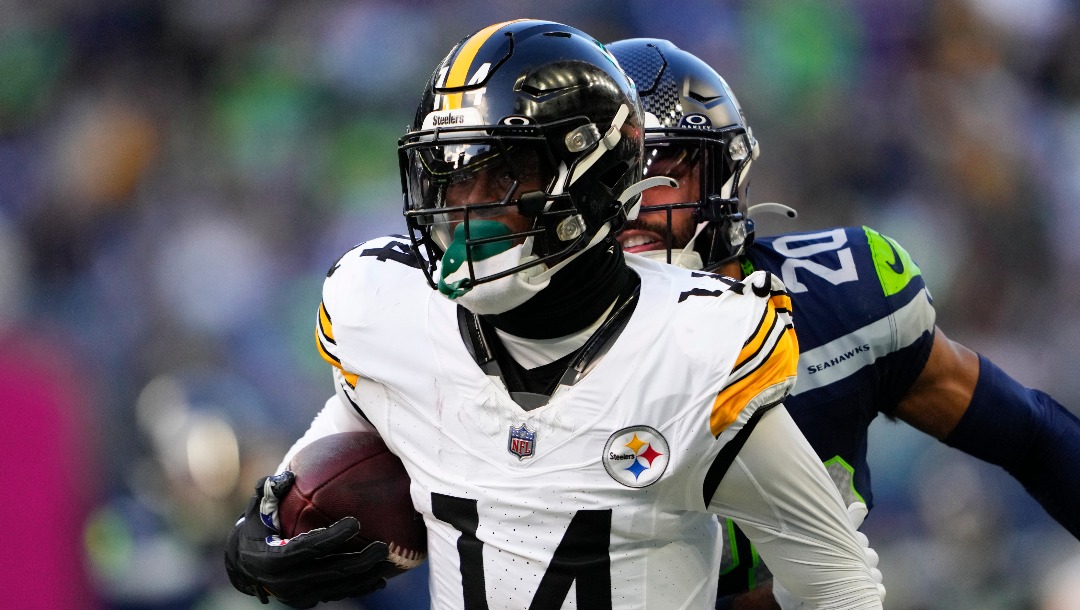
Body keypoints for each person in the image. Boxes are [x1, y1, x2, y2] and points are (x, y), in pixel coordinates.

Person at [223, 20, 887, 610]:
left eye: (505, 172)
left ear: (597, 180)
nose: (469, 210)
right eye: (454, 174)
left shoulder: (694, 349)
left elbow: (838, 584)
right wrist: (266, 533)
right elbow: (333, 446)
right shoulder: (385, 312)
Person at [605, 37, 1080, 609]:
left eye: (661, 176)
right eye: (609, 181)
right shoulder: (521, 354)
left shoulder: (843, 300)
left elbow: (1032, 437)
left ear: (722, 179)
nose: (631, 206)